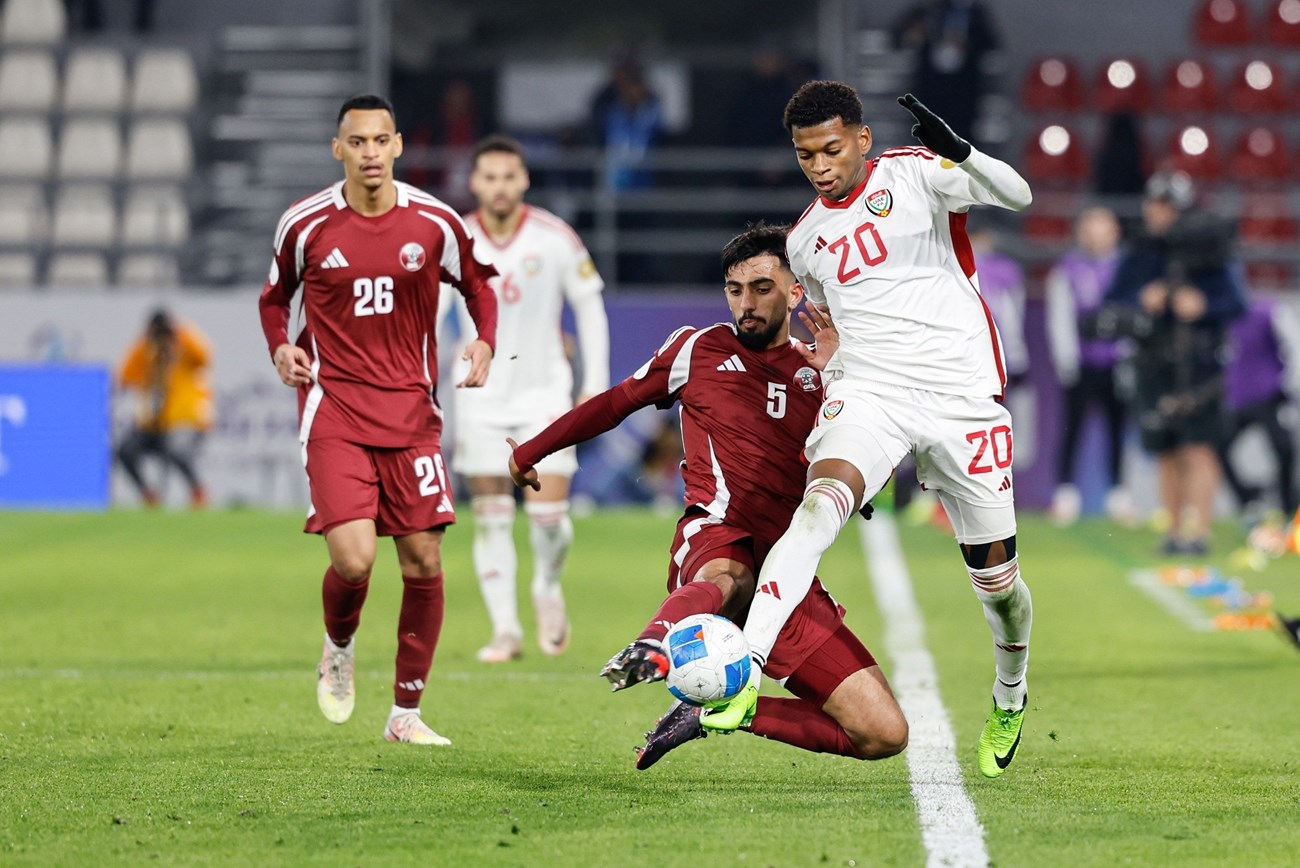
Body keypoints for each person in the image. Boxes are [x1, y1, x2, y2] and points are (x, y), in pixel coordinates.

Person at [703, 82, 1034, 780]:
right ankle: (747, 665)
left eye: (830, 149)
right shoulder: (804, 241)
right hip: (873, 394)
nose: (820, 166)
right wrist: (833, 367)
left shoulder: (918, 171)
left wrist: (961, 152)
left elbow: (1019, 196)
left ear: (860, 139)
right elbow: (836, 329)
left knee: (998, 585)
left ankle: (1011, 691)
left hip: (960, 396)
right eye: (804, 156)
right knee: (816, 511)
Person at [508, 223, 907, 770]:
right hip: (714, 535)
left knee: (883, 734)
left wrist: (841, 381)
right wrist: (531, 450)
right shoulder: (697, 349)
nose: (746, 302)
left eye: (762, 288)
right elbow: (613, 403)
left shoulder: (828, 373)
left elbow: (865, 487)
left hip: (785, 572)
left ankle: (720, 712)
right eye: (734, 289)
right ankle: (653, 644)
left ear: (796, 293)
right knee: (729, 575)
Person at [257, 94, 500, 746]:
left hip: (412, 415)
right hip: (334, 408)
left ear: (397, 146)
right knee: (357, 558)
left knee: (423, 559)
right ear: (338, 149)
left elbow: (477, 283)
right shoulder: (305, 224)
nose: (369, 153)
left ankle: (406, 715)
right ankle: (339, 645)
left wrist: (483, 341)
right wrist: (281, 345)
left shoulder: (435, 221)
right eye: (356, 142)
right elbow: (275, 297)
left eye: (380, 141)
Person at [444, 134, 609, 663]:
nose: (499, 186)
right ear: (475, 182)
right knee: (491, 515)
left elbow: (589, 305)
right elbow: (428, 314)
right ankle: (505, 630)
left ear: (524, 180)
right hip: (479, 395)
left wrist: (594, 384)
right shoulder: (454, 239)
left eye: (508, 176)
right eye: (489, 177)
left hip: (544, 394)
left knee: (550, 518)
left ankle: (546, 585)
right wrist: (429, 382)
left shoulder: (554, 237)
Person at [1099, 170, 1247, 555]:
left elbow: (1237, 302)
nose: (1159, 212)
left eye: (1167, 205)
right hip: (1153, 360)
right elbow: (1112, 303)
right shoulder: (1141, 251)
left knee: (1198, 446)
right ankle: (1175, 529)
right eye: (1155, 203)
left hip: (1200, 359)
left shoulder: (1209, 246)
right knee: (1165, 446)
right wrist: (1141, 302)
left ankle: (1198, 531)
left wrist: (1203, 305)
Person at [1045, 206, 1130, 525]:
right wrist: (1066, 359)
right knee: (1072, 428)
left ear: (1114, 232)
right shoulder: (1069, 268)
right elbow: (1060, 316)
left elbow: (1132, 312)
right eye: (1091, 229)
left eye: (1103, 229)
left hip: (1116, 361)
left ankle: (1118, 493)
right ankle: (1066, 492)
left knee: (1117, 428)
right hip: (1082, 361)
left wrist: (1127, 354)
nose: (1097, 236)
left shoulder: (1125, 267)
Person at [116, 308, 213, 508]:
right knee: (124, 451)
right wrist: (146, 346)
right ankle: (148, 495)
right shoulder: (146, 351)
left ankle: (197, 491)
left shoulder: (184, 347)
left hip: (182, 419)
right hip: (153, 423)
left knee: (176, 449)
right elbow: (125, 376)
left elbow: (205, 356)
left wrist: (178, 334)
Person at [1218, 294, 1297, 521]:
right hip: (1237, 397)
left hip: (1269, 396)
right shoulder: (1224, 315)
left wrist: (1287, 385)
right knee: (1218, 446)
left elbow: (1293, 346)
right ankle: (1248, 499)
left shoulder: (1269, 312)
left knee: (1284, 449)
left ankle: (1288, 506)